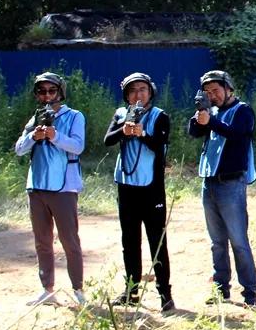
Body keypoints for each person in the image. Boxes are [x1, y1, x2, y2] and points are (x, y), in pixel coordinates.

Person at [187, 70, 256, 307]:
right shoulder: (210, 112)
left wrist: (212, 121)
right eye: (207, 92)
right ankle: (221, 290)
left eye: (216, 91)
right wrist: (201, 114)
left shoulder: (243, 110)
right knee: (216, 241)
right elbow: (193, 132)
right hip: (209, 182)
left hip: (231, 182)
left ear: (229, 89)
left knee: (238, 241)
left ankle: (250, 293)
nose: (212, 96)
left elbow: (239, 135)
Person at [14, 72, 87, 306]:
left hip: (64, 188)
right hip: (36, 186)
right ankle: (47, 289)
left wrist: (55, 136)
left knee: (69, 240)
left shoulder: (74, 116)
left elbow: (77, 146)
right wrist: (34, 136)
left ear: (60, 92)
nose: (47, 96)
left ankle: (78, 290)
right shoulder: (34, 119)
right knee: (42, 241)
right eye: (42, 91)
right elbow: (19, 149)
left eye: (51, 91)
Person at [103, 72, 174, 312]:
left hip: (151, 188)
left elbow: (160, 145)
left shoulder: (159, 116)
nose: (138, 94)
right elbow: (107, 140)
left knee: (157, 242)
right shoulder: (121, 114)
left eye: (142, 89)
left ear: (150, 91)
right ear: (126, 95)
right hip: (126, 187)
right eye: (133, 91)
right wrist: (124, 130)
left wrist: (142, 134)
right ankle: (131, 292)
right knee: (129, 241)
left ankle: (165, 294)